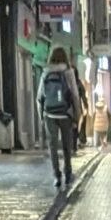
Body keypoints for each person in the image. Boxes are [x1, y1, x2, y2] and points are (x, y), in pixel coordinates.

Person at [37, 45, 81, 187]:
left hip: (50, 114)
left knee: (53, 146)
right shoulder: (69, 72)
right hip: (65, 114)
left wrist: (41, 117)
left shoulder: (45, 73)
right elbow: (74, 95)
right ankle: (68, 173)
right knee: (67, 146)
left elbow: (39, 97)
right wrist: (77, 115)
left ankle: (57, 176)